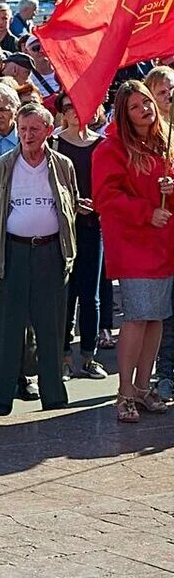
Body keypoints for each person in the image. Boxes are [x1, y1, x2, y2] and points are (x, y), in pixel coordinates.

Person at [0, 104, 76, 417]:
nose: (27, 135)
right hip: (11, 252)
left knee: (51, 328)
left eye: (34, 129)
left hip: (51, 252)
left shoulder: (62, 164)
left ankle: (54, 396)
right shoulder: (3, 166)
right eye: (23, 129)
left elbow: (70, 204)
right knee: (6, 328)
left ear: (49, 130)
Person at [92, 81, 174, 423]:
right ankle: (124, 392)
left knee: (155, 318)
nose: (145, 108)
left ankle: (142, 386)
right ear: (124, 115)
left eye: (146, 101)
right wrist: (146, 211)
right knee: (137, 318)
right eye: (135, 106)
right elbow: (105, 197)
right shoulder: (111, 148)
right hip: (134, 244)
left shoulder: (164, 141)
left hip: (163, 242)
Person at [53, 93, 108, 382]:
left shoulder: (102, 144)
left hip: (92, 226)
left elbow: (110, 185)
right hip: (61, 229)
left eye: (80, 104)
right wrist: (70, 204)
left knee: (91, 295)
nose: (75, 111)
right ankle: (62, 356)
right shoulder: (54, 144)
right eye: (68, 106)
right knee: (65, 294)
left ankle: (89, 355)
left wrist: (98, 203)